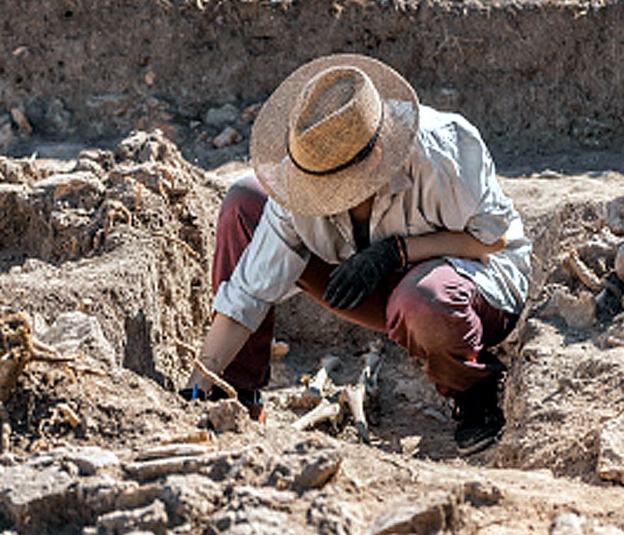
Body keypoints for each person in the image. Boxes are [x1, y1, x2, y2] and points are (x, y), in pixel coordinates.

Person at [182, 53, 532, 455]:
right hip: (371, 284)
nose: (321, 199)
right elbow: (247, 291)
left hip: (471, 281)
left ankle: (475, 389)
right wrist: (200, 382)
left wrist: (396, 252)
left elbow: (492, 240)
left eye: (335, 187)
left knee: (423, 300)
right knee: (245, 200)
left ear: (376, 159)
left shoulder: (442, 151)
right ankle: (237, 395)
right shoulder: (304, 170)